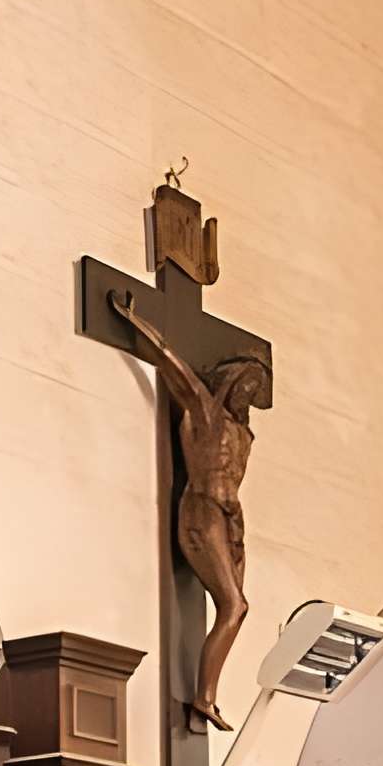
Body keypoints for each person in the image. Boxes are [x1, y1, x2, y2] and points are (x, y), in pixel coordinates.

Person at [111, 287, 270, 732]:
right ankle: (205, 698)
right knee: (234, 605)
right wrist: (131, 319)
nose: (249, 396)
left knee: (238, 608)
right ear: (230, 383)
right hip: (202, 509)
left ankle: (207, 696)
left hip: (232, 518)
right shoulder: (205, 411)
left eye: (254, 391)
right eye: (246, 386)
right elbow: (168, 362)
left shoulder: (244, 434)